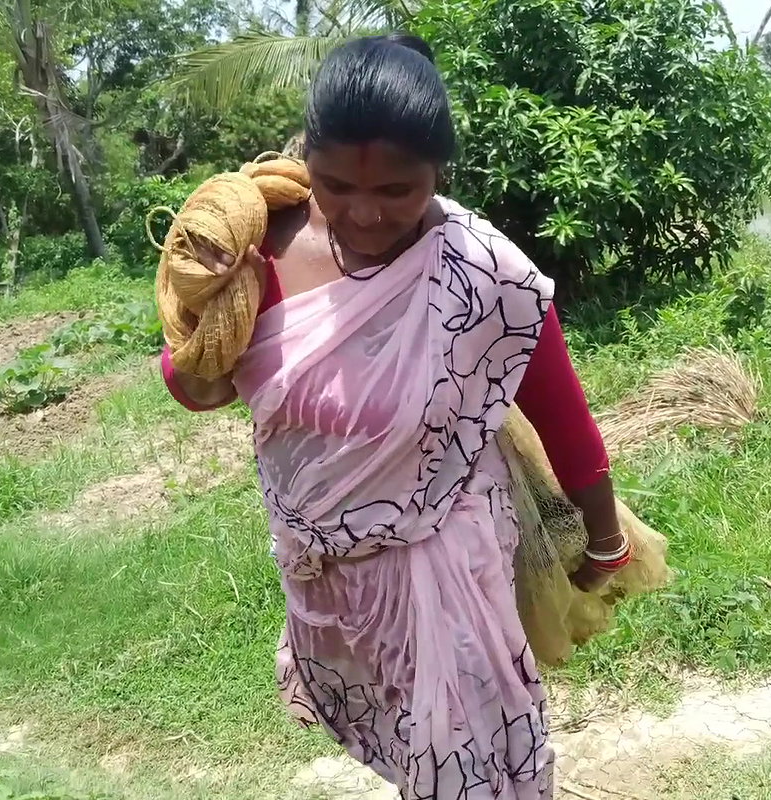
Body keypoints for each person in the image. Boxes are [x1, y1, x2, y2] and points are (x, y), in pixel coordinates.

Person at [161, 33, 631, 800]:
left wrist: (605, 542)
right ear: (307, 161)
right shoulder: (259, 249)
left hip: (446, 568)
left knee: (475, 774)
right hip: (327, 580)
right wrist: (204, 304)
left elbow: (563, 419)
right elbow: (196, 387)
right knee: (404, 750)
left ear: (440, 171)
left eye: (397, 191)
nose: (365, 214)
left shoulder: (483, 277)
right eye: (336, 185)